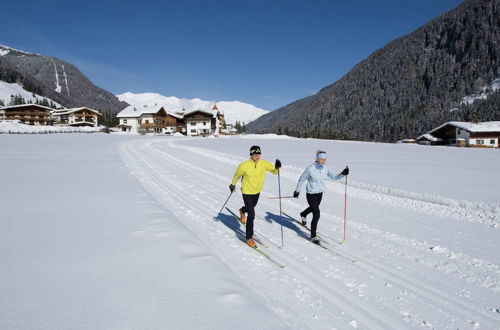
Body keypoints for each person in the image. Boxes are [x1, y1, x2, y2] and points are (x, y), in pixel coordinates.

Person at [229, 145, 281, 248]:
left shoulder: (263, 163)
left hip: (257, 192)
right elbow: (237, 175)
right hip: (247, 192)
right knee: (252, 214)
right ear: (251, 155)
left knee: (250, 208)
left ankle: (242, 211)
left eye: (259, 154)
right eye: (255, 154)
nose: (258, 156)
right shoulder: (244, 165)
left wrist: (277, 167)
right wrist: (233, 184)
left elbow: (275, 172)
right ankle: (249, 238)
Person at [293, 150, 349, 244]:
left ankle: (303, 214)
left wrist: (343, 173)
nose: (323, 161)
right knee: (317, 213)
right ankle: (313, 236)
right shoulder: (310, 168)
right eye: (322, 159)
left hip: (319, 193)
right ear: (317, 159)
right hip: (311, 193)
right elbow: (302, 179)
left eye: (325, 159)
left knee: (313, 208)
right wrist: (297, 191)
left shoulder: (325, 168)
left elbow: (335, 177)